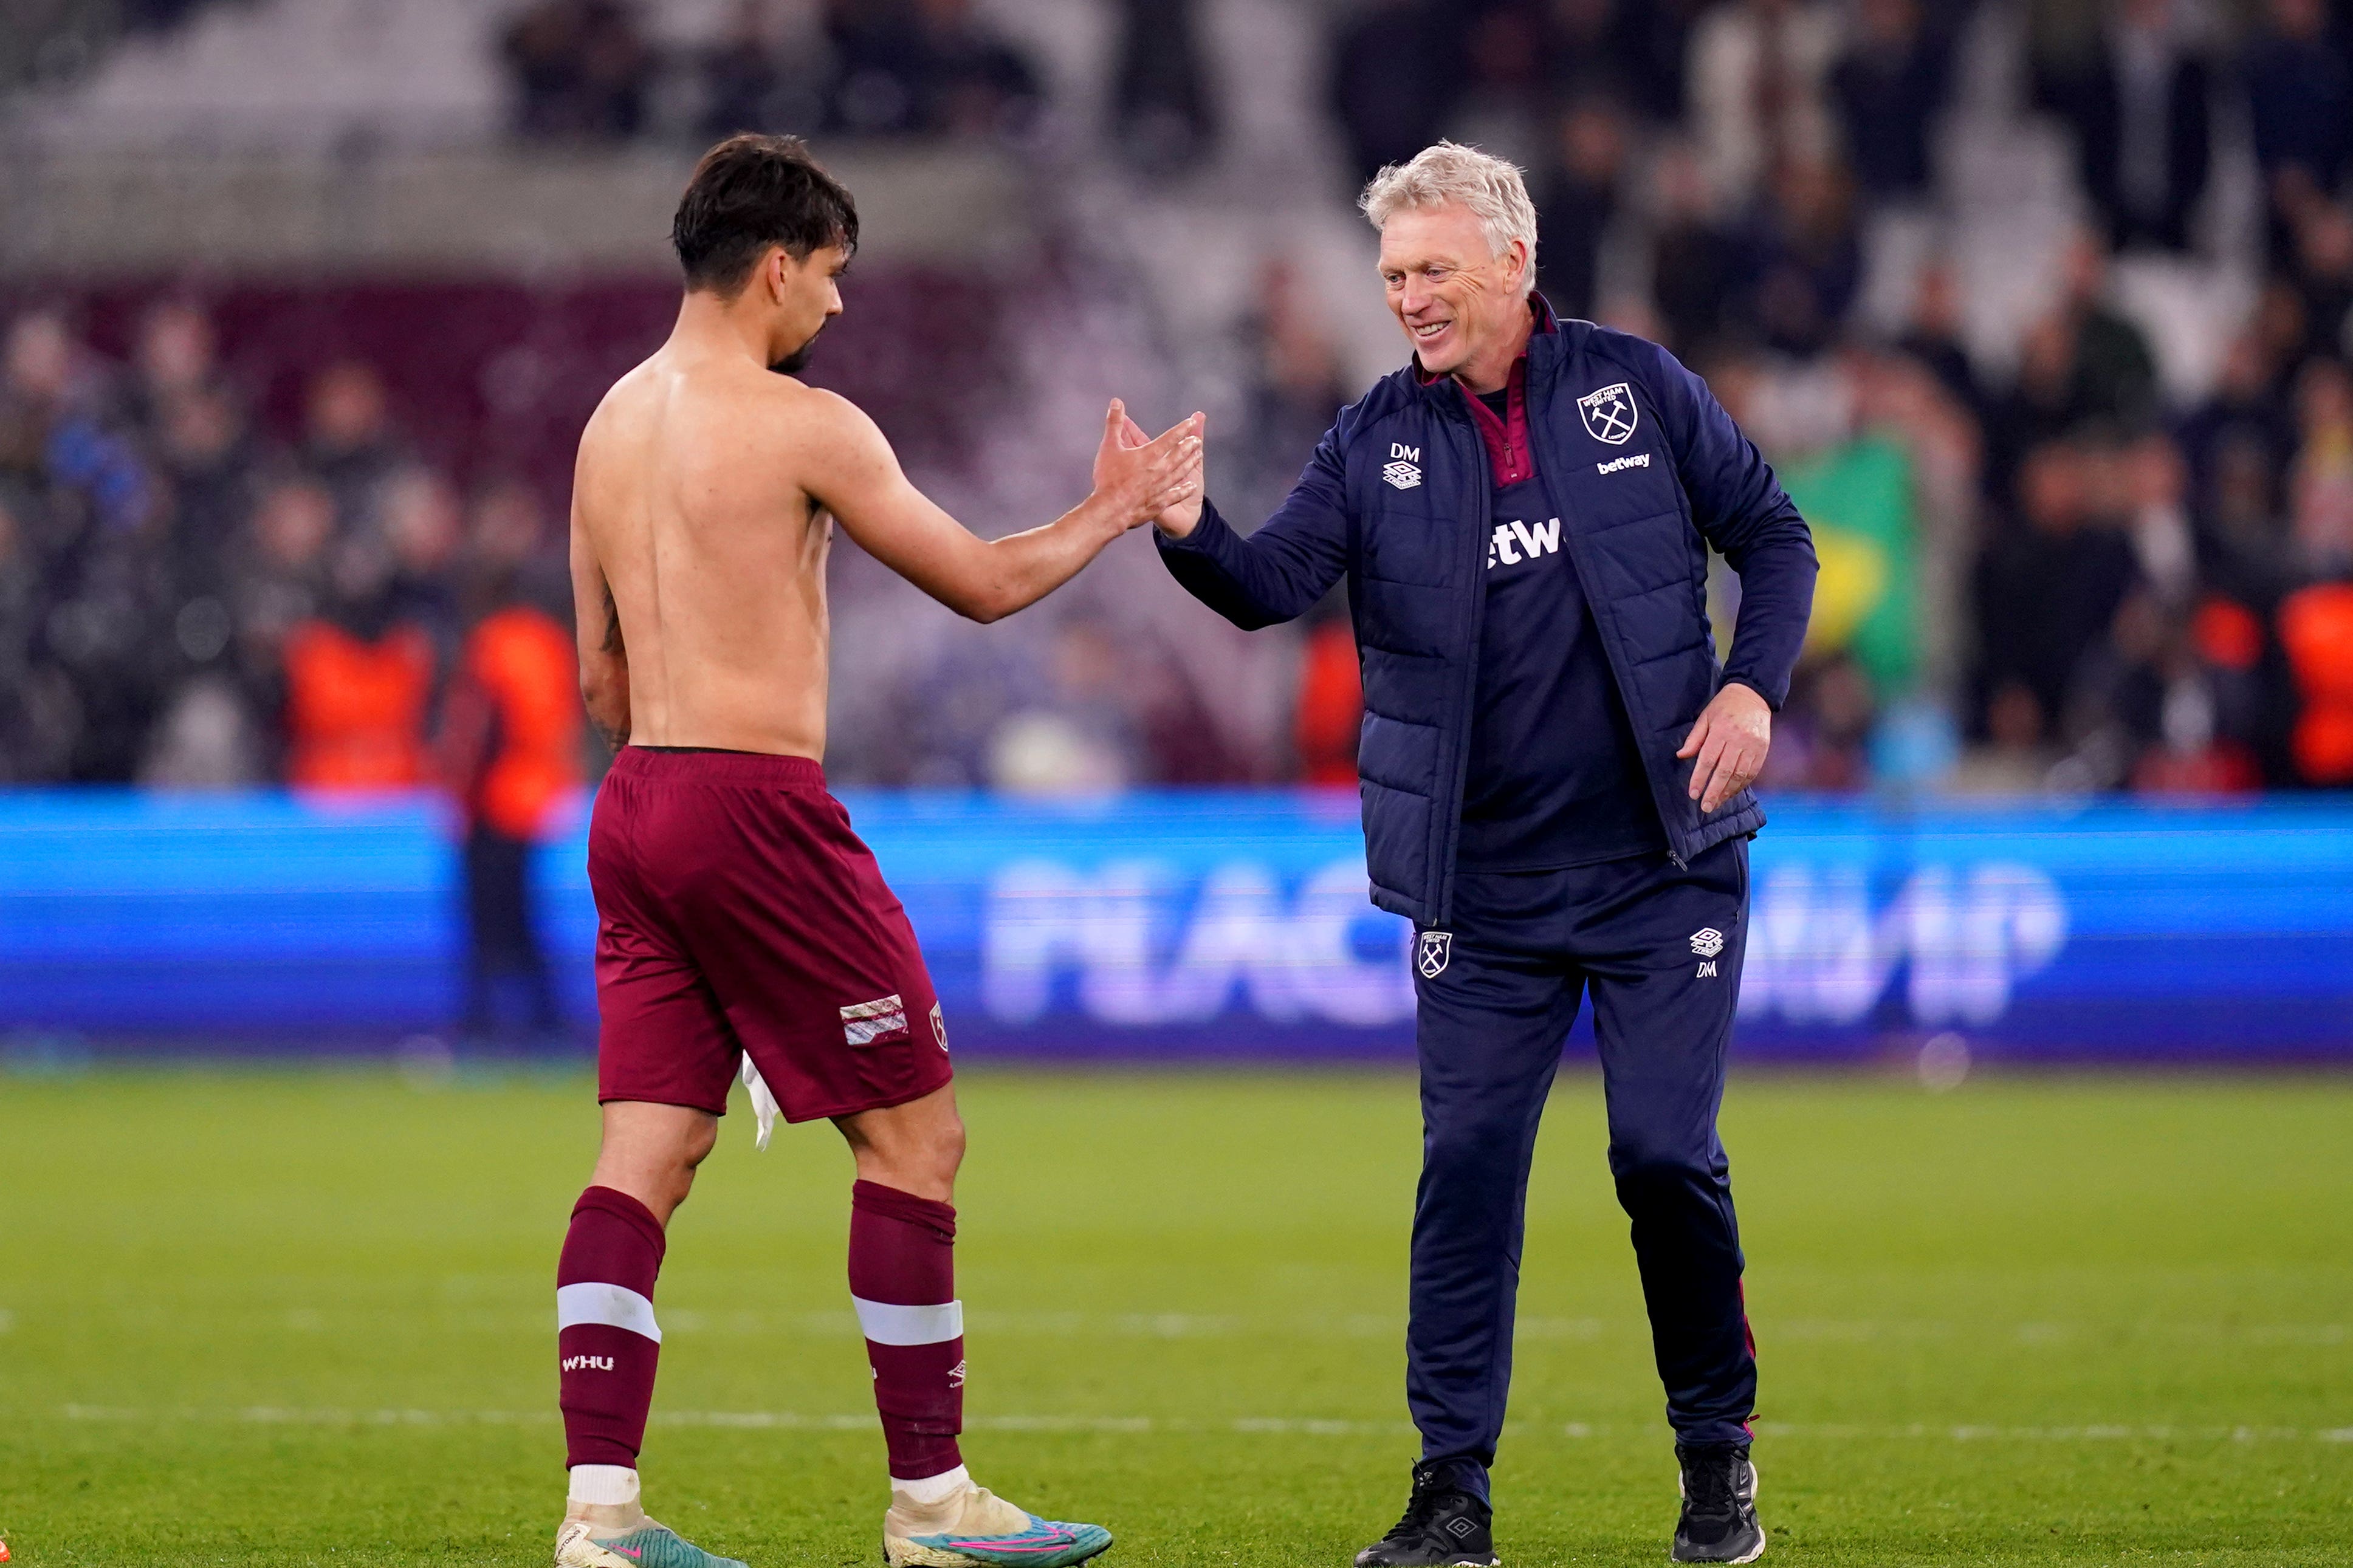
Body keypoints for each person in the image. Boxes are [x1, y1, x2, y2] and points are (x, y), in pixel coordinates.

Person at [1139, 142, 1814, 1565]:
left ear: (1513, 260)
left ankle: (1716, 1455)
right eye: (1392, 276)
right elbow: (1267, 587)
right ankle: (1452, 1490)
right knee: (1466, 1168)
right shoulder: (1369, 438)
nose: (1409, 299)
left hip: (1659, 860)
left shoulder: (1639, 385)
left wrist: (1751, 686)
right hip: (1484, 889)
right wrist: (1184, 524)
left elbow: (1771, 533)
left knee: (1660, 1156)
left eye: (1432, 269)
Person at [554, 133, 1200, 1568]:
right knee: (917, 1136)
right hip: (756, 808)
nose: (836, 308)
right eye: (832, 277)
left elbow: (597, 675)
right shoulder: (804, 425)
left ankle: (599, 1518)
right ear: (777, 266)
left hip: (637, 803)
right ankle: (933, 1504)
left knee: (639, 1157)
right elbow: (977, 583)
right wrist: (1116, 507)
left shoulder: (606, 424)